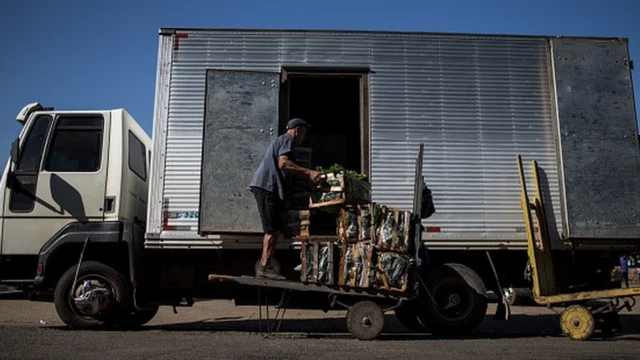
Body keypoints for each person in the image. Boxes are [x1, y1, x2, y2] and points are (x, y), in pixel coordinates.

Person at [248, 118, 323, 280]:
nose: (303, 137)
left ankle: (265, 265)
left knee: (274, 231)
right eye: (303, 133)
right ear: (296, 130)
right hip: (267, 187)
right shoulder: (287, 141)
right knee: (271, 231)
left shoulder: (282, 141)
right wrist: (308, 172)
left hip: (268, 188)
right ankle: (263, 267)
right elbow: (283, 164)